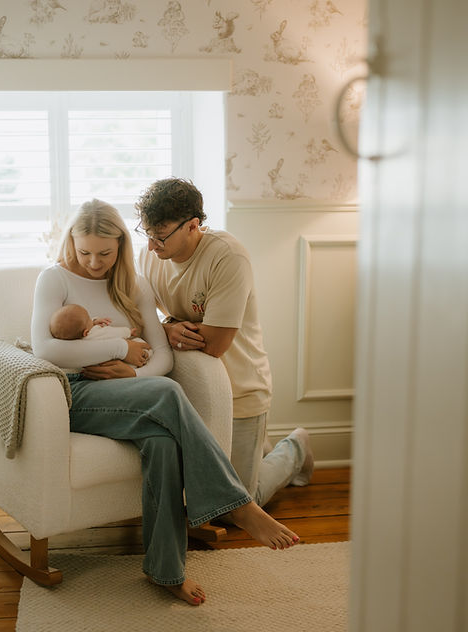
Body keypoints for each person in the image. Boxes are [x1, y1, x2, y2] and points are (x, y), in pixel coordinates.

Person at [31, 198, 300, 606]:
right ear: (71, 242)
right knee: (169, 392)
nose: (93, 262)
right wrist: (122, 347)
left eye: (104, 252)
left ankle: (166, 570)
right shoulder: (54, 279)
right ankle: (239, 505)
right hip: (73, 394)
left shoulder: (135, 284)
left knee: (162, 443)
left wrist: (133, 374)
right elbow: (46, 349)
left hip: (126, 392)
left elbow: (162, 356)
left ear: (120, 244)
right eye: (84, 251)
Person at [136, 177, 314, 512]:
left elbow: (216, 344)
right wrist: (166, 328)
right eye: (146, 234)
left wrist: (164, 329)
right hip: (191, 389)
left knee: (236, 507)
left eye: (160, 237)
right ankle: (258, 450)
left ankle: (296, 447)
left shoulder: (227, 257)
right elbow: (139, 320)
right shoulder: (150, 258)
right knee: (200, 495)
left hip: (241, 390)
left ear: (193, 226)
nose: (150, 246)